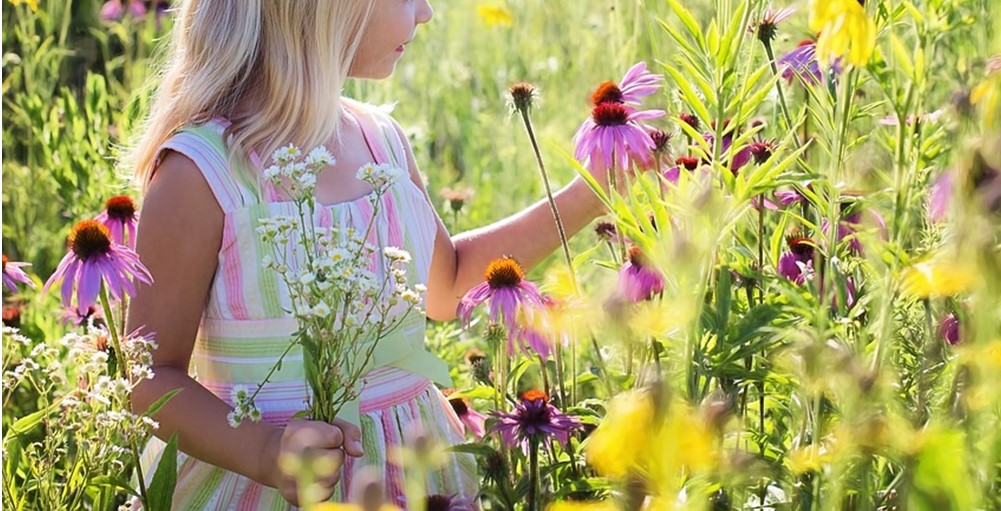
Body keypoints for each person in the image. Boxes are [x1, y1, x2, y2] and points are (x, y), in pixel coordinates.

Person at [124, 1, 607, 508]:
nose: (424, 13)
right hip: (260, 486)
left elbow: (447, 286)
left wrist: (587, 195)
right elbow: (148, 377)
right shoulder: (203, 172)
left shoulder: (383, 143)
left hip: (414, 470)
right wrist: (266, 452)